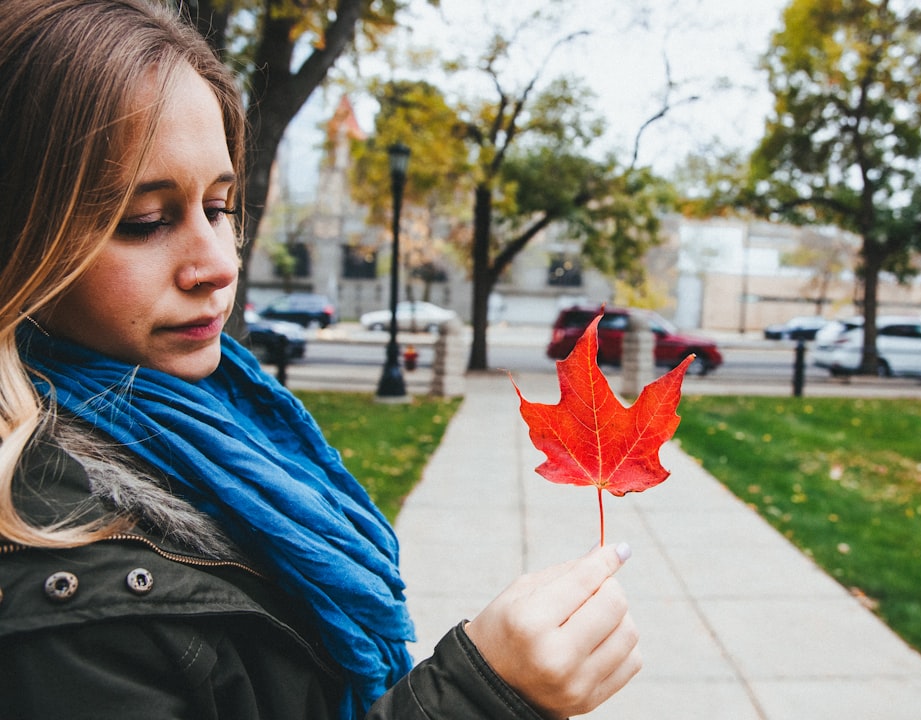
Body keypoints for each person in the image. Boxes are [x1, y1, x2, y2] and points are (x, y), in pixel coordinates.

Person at [0, 1, 642, 718]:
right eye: (144, 221)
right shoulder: (54, 587)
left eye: (219, 207)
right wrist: (478, 696)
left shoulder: (227, 424)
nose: (216, 264)